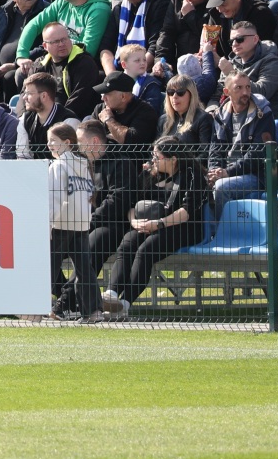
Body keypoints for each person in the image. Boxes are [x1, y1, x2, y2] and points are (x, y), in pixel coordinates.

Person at [100, 137, 208, 318]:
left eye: (157, 156)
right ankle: (111, 294)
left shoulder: (191, 175)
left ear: (173, 159)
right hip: (150, 224)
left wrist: (158, 224)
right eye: (153, 156)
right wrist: (134, 221)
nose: (153, 160)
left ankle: (124, 304)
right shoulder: (150, 174)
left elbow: (186, 212)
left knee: (145, 250)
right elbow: (132, 204)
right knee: (128, 242)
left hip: (184, 227)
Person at [44, 123, 101, 322]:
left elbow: (55, 198)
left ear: (67, 143)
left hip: (60, 223)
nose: (49, 145)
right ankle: (93, 312)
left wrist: (47, 223)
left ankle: (35, 307)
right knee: (85, 269)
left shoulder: (58, 166)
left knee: (49, 266)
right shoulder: (84, 164)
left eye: (53, 141)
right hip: (81, 224)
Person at [208, 71, 277, 216]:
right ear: (227, 92)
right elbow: (215, 148)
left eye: (248, 87)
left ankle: (225, 234)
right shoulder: (220, 115)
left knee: (221, 187)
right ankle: (204, 234)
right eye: (238, 88)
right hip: (227, 172)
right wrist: (214, 171)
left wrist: (228, 172)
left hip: (257, 175)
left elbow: (259, 153)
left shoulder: (263, 113)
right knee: (197, 184)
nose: (245, 92)